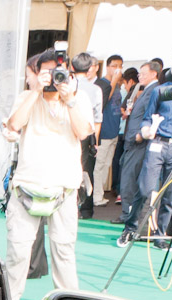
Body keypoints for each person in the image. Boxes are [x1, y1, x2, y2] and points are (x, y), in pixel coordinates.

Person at [2, 49, 94, 300]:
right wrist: (35, 91)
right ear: (37, 73)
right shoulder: (27, 97)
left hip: (64, 188)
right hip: (27, 187)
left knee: (64, 251)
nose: (53, 78)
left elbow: (83, 132)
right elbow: (14, 125)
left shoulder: (79, 98)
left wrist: (70, 99)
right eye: (47, 73)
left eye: (58, 72)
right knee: (18, 251)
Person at [118, 58, 172, 248]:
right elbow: (147, 117)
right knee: (145, 189)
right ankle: (130, 227)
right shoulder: (160, 91)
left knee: (170, 193)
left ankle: (161, 235)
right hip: (158, 142)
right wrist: (146, 130)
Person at [115, 60, 160, 228]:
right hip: (134, 138)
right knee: (129, 177)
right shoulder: (145, 89)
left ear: (154, 74)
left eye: (143, 73)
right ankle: (129, 214)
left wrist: (140, 135)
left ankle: (129, 215)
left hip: (139, 140)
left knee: (129, 178)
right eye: (139, 73)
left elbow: (151, 114)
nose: (139, 76)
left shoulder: (153, 90)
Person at [73, 53, 104, 218]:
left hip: (68, 132)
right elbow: (98, 119)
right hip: (87, 134)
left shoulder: (66, 85)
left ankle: (68, 205)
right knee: (86, 170)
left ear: (72, 67)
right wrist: (95, 141)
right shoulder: (96, 89)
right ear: (90, 68)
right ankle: (85, 208)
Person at [93, 54, 124, 205]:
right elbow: (103, 101)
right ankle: (96, 196)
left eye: (120, 66)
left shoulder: (117, 85)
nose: (117, 69)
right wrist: (114, 81)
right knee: (99, 165)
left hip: (114, 131)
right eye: (114, 66)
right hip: (104, 132)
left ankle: (100, 193)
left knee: (106, 164)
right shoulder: (102, 84)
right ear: (107, 67)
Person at [111, 67, 139, 202]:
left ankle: (119, 191)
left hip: (125, 133)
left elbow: (123, 110)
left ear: (130, 81)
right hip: (133, 134)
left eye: (124, 83)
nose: (124, 86)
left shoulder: (132, 92)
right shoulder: (141, 91)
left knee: (121, 162)